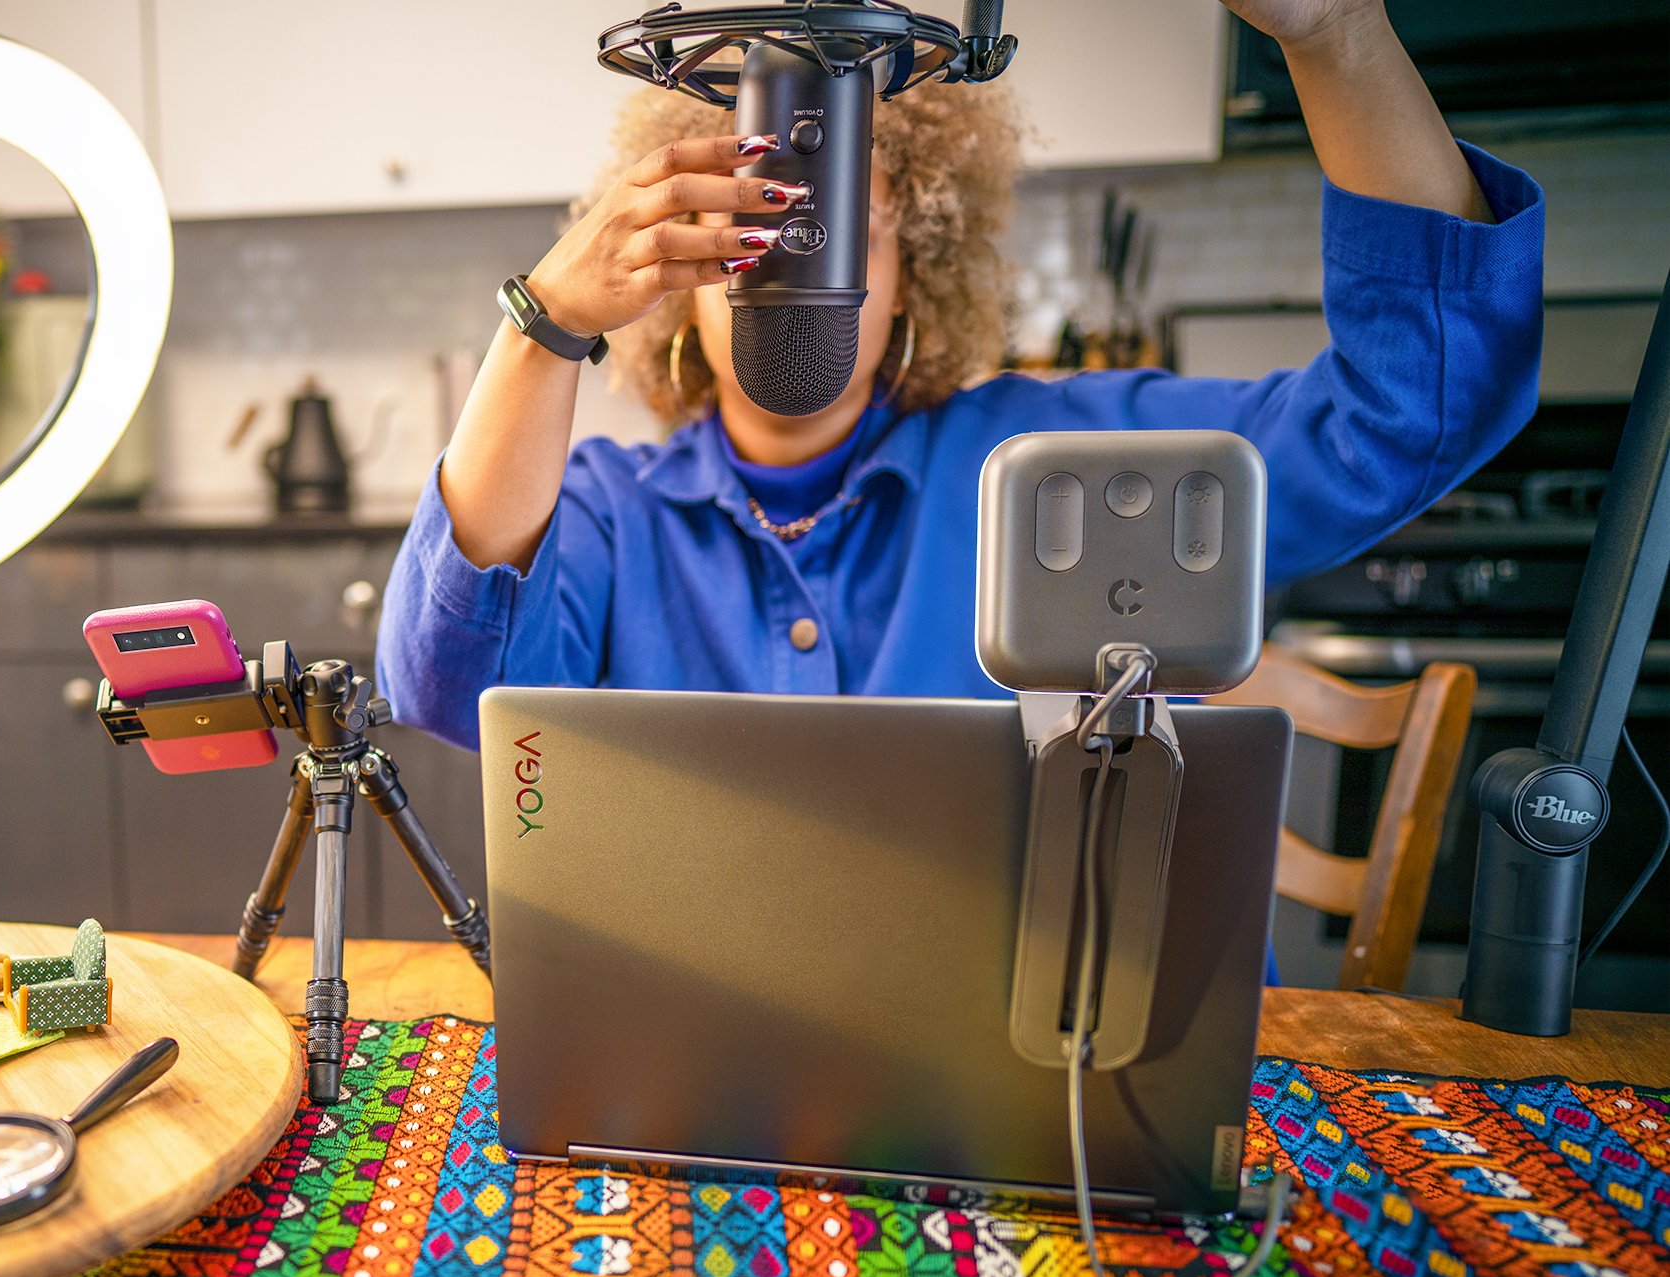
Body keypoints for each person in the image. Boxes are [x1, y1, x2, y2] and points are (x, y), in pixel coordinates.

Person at [377, 0, 1543, 751]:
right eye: (744, 226)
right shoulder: (605, 518)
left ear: (915, 270)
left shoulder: (1066, 475)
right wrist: (543, 325)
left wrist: (1334, 32)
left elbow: (1403, 415)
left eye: (844, 231)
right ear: (675, 268)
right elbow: (444, 681)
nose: (785, 260)